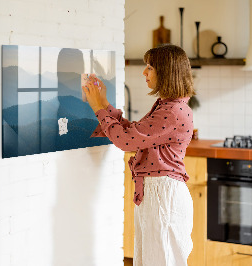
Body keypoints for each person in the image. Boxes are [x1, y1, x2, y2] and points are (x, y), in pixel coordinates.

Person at [83, 44, 195, 266]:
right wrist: (104, 104)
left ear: (166, 72)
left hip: (163, 195)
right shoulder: (168, 106)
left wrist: (98, 108)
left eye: (150, 67)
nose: (144, 72)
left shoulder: (172, 111)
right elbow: (134, 133)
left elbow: (126, 141)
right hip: (158, 193)